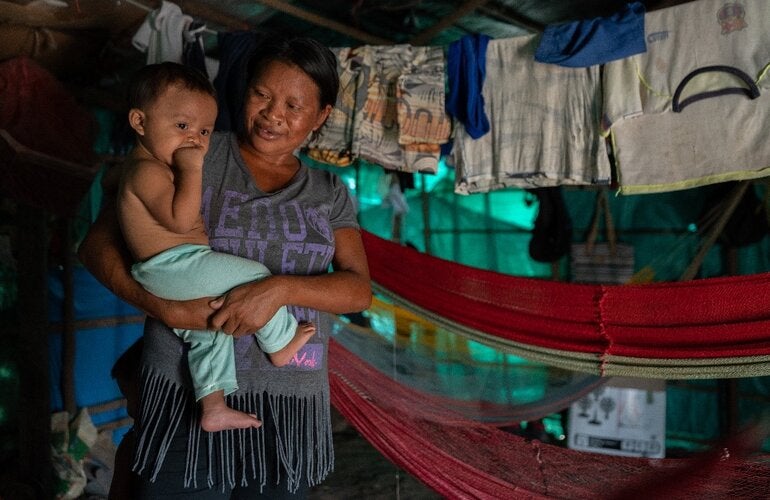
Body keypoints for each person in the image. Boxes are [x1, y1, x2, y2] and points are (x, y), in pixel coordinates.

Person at [78, 35, 371, 498]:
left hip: (289, 404)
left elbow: (358, 291)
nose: (274, 113)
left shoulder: (329, 192)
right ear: (244, 91)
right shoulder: (190, 147)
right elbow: (95, 248)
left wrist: (276, 290)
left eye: (294, 105)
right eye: (262, 94)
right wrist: (165, 308)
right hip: (182, 395)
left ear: (321, 116)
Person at [118, 62, 317, 434]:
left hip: (173, 270)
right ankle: (280, 342)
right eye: (182, 126)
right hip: (172, 265)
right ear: (139, 122)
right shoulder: (145, 171)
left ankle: (213, 405)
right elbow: (178, 221)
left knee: (208, 334)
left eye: (204, 130)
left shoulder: (154, 166)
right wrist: (193, 170)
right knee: (258, 278)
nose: (194, 138)